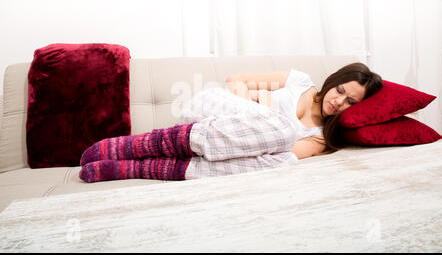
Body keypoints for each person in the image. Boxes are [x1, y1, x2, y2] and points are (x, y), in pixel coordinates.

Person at [79, 62, 382, 182]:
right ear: (335, 81)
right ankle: (144, 145)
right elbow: (236, 80)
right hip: (209, 114)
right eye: (340, 90)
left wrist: (268, 119)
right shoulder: (300, 81)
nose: (339, 101)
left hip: (227, 154)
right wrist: (255, 106)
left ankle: (144, 167)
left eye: (350, 103)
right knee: (282, 129)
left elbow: (279, 153)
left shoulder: (322, 138)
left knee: (284, 160)